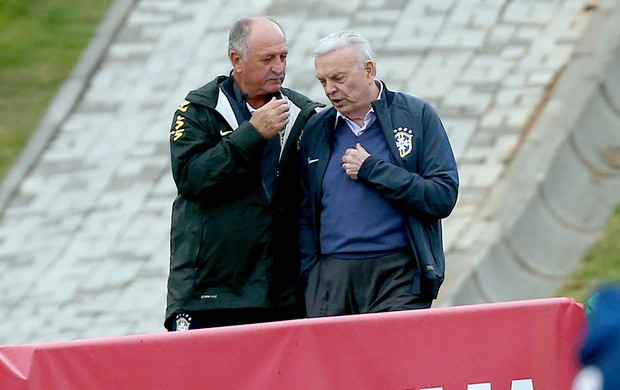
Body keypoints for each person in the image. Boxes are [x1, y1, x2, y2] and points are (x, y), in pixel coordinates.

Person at [165, 16, 322, 331]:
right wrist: (251, 134)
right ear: (236, 60)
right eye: (267, 59)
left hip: (283, 295)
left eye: (283, 57)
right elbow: (191, 179)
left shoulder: (302, 113)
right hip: (211, 293)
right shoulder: (199, 109)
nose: (278, 67)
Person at [298, 31, 459, 318]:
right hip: (333, 279)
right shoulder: (316, 129)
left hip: (398, 274)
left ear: (369, 70)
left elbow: (442, 196)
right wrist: (312, 275)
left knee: (390, 361)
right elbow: (302, 211)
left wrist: (373, 170)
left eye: (339, 78)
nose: (330, 90)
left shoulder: (416, 115)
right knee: (338, 364)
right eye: (323, 81)